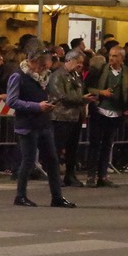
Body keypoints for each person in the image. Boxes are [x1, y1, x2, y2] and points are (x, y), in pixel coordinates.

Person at [7, 47, 76, 208]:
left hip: (43, 123)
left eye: (46, 66)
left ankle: (57, 197)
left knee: (52, 160)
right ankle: (20, 196)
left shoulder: (43, 78)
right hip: (27, 125)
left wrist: (49, 103)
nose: (44, 69)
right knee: (28, 160)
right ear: (32, 62)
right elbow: (12, 101)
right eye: (41, 66)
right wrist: (36, 106)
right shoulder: (18, 76)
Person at [83, 45, 128, 187]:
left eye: (115, 56)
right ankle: (91, 175)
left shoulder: (126, 72)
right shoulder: (99, 70)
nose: (111, 58)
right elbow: (87, 87)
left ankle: (103, 175)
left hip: (116, 113)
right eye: (110, 55)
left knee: (108, 144)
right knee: (95, 143)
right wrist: (101, 92)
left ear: (122, 58)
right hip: (99, 111)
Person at [48, 49, 94, 187]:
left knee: (72, 148)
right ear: (69, 60)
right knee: (57, 148)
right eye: (78, 62)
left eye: (82, 63)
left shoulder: (76, 76)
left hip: (75, 116)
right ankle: (54, 176)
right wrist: (81, 99)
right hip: (61, 117)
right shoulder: (58, 75)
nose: (80, 65)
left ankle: (70, 174)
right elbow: (60, 95)